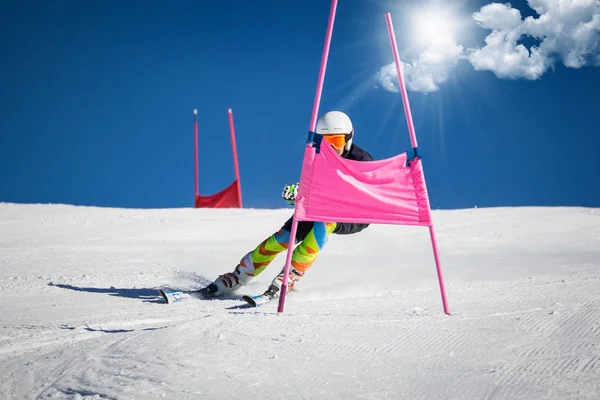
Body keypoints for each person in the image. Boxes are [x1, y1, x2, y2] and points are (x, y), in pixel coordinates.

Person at [200, 111, 374, 299]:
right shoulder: (317, 155)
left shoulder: (361, 162)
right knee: (282, 238)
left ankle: (292, 274)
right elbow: (313, 187)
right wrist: (298, 193)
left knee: (326, 223)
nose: (330, 147)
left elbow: (365, 194)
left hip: (354, 215)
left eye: (336, 141)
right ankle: (239, 275)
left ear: (348, 139)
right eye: (325, 141)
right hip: (320, 207)